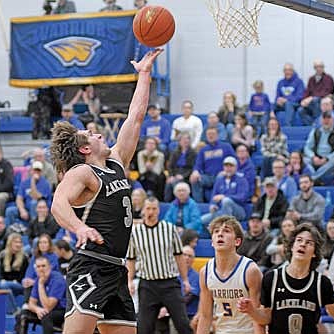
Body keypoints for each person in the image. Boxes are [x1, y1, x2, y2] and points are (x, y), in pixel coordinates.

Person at [50, 49, 162, 333]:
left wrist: (145, 74)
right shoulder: (83, 172)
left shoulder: (117, 162)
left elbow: (135, 117)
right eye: (92, 135)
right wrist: (78, 228)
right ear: (85, 149)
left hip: (117, 269)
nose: (99, 133)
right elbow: (58, 203)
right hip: (91, 265)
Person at [238, 223, 334, 333]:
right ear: (292, 246)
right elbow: (266, 318)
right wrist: (252, 311)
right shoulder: (272, 278)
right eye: (299, 240)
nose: (303, 244)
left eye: (309, 243)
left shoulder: (321, 283)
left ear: (314, 253)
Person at [127, 197, 192, 334]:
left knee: (183, 325)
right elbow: (131, 259)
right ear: (143, 210)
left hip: (170, 284)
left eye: (154, 208)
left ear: (159, 210)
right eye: (148, 208)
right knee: (144, 328)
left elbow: (179, 256)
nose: (151, 211)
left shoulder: (170, 229)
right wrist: (129, 280)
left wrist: (185, 280)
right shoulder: (135, 232)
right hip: (147, 285)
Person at [196, 215, 263, 334]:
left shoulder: (250, 271)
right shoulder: (205, 272)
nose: (220, 234)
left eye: (226, 231)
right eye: (216, 231)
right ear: (212, 241)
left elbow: (257, 316)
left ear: (237, 241)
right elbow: (205, 317)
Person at [19, 256, 66, 334]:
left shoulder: (58, 279)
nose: (41, 269)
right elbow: (31, 303)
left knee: (46, 317)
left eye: (43, 266)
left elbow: (48, 307)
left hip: (61, 311)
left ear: (50, 267)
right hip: (44, 310)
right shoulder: (39, 278)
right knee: (22, 314)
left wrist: (41, 284)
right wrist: (37, 309)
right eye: (38, 267)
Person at [190, 126, 235, 203]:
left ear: (217, 135)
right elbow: (198, 164)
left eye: (213, 134)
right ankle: (199, 205)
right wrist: (195, 172)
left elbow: (233, 161)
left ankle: (214, 205)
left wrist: (227, 171)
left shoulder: (226, 146)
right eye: (208, 134)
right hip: (208, 177)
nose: (210, 136)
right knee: (195, 179)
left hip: (222, 175)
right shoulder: (203, 150)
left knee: (220, 177)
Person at [0, 233, 29, 314]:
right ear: (10, 243)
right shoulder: (4, 255)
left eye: (20, 242)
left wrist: (14, 281)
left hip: (18, 284)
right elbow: (2, 273)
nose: (18, 244)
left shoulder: (24, 257)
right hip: (6, 282)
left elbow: (24, 275)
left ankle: (14, 310)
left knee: (4, 285)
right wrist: (2, 279)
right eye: (15, 242)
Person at [201, 157, 250, 226]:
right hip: (222, 211)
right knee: (202, 220)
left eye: (231, 166)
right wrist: (212, 205)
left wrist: (225, 196)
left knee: (226, 201)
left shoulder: (241, 180)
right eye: (226, 166)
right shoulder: (219, 180)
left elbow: (242, 197)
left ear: (236, 167)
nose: (228, 168)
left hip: (239, 211)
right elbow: (214, 196)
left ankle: (227, 226)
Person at [303, 110, 334, 184]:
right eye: (324, 118)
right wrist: (313, 157)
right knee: (304, 160)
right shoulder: (315, 132)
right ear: (320, 120)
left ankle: (312, 179)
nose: (326, 121)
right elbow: (307, 147)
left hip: (330, 159)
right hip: (316, 158)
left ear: (333, 120)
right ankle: (316, 180)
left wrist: (327, 158)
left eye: (329, 118)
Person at [298, 60, 334, 125]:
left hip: (322, 103)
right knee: (300, 110)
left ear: (323, 67)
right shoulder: (311, 79)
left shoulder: (328, 78)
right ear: (314, 68)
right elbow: (307, 91)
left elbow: (327, 91)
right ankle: (313, 124)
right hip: (311, 104)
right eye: (317, 67)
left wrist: (311, 98)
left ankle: (318, 124)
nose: (319, 68)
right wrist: (303, 100)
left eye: (320, 67)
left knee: (315, 100)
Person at [164, 132, 197, 202]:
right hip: (176, 173)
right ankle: (167, 203)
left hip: (186, 175)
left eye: (188, 139)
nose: (186, 141)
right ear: (179, 141)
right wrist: (171, 176)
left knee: (175, 182)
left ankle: (179, 201)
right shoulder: (175, 152)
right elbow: (170, 166)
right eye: (184, 139)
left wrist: (183, 176)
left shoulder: (193, 153)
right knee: (169, 182)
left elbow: (193, 168)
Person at [178, 245, 200, 319]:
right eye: (184, 255)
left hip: (189, 315)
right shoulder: (172, 274)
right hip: (171, 313)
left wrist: (170, 307)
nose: (187, 258)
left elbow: (189, 297)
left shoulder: (196, 276)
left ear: (193, 260)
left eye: (190, 256)